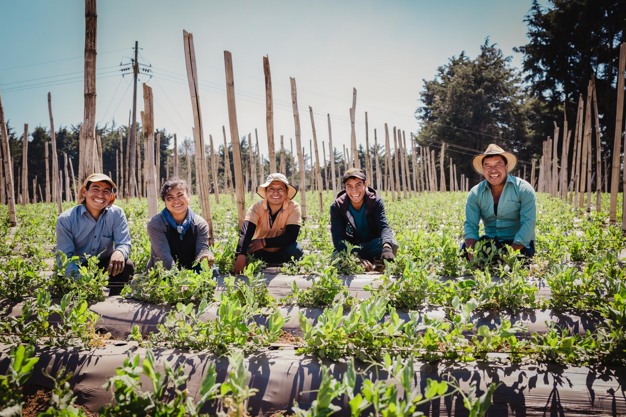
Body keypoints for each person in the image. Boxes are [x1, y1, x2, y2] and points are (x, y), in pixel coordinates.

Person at [55, 173, 134, 295]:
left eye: (106, 191)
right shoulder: (66, 219)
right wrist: (84, 281)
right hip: (77, 267)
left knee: (126, 265)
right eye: (95, 189)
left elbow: (124, 242)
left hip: (103, 266)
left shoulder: (116, 214)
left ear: (111, 196)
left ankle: (114, 300)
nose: (100, 195)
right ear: (84, 192)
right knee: (68, 286)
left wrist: (120, 252)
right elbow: (65, 259)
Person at [463, 144, 536, 262]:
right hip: (491, 242)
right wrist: (472, 253)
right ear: (483, 169)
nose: (493, 170)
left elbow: (528, 224)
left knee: (519, 261)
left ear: (506, 167)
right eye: (487, 165)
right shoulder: (475, 193)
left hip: (518, 244)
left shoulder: (523, 189)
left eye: (498, 165)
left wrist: (509, 254)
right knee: (465, 251)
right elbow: (470, 225)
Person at [234, 173, 303, 274]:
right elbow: (246, 232)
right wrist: (241, 254)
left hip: (282, 250)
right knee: (243, 249)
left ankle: (289, 268)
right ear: (266, 192)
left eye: (280, 189)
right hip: (259, 251)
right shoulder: (256, 207)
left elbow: (291, 236)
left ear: (287, 192)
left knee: (295, 250)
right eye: (271, 189)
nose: (276, 192)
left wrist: (264, 242)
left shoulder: (294, 207)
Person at [330, 167, 397, 271]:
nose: (354, 190)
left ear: (365, 184)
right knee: (337, 257)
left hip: (371, 244)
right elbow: (338, 239)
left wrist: (387, 247)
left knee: (392, 244)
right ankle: (365, 263)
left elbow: (384, 227)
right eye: (349, 186)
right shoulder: (338, 206)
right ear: (345, 188)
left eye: (358, 185)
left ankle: (376, 263)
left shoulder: (375, 202)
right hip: (351, 248)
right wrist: (355, 258)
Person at [147, 179, 214, 272]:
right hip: (163, 273)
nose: (176, 201)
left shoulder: (200, 224)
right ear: (165, 202)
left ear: (188, 196)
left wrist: (205, 256)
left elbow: (201, 249)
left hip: (192, 274)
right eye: (170, 198)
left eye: (180, 195)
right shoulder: (156, 224)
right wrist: (178, 278)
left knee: (213, 272)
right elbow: (164, 257)